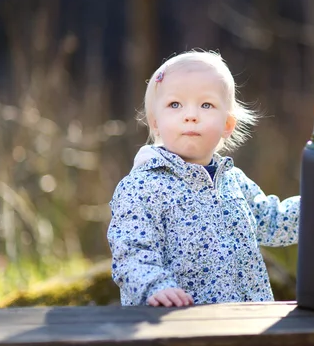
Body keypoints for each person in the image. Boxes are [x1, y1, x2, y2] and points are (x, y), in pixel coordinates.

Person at [107, 50, 300, 307]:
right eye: (175, 105)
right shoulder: (141, 187)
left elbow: (273, 220)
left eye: (206, 105)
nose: (191, 115)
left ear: (227, 125)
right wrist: (155, 286)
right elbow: (131, 251)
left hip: (248, 322)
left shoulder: (233, 182)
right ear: (155, 123)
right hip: (178, 325)